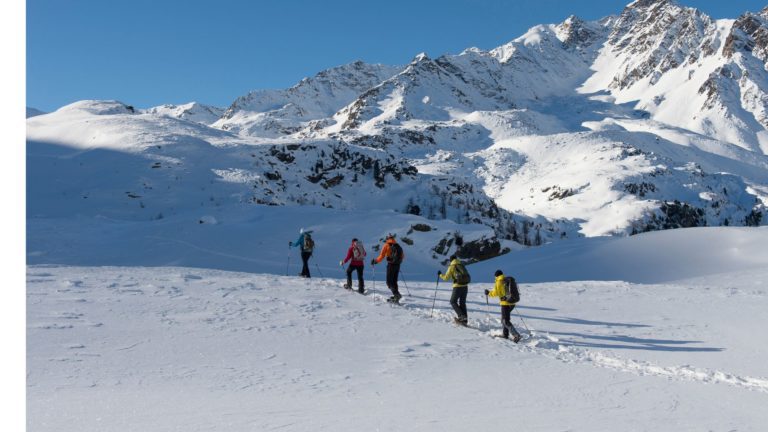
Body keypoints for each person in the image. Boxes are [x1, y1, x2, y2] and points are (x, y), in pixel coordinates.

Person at [485, 270, 522, 343]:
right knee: (505, 319)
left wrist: (488, 293)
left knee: (505, 320)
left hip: (505, 304)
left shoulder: (499, 281)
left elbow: (496, 293)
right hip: (512, 302)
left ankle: (516, 335)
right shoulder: (507, 280)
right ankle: (505, 335)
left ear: (496, 276)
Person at [371, 233, 404, 303]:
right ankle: (396, 296)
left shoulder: (386, 245)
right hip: (397, 265)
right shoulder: (398, 246)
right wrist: (397, 261)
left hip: (391, 265)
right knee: (394, 281)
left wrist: (375, 261)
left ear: (387, 238)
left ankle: (396, 294)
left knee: (389, 282)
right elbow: (403, 256)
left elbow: (381, 256)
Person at [438, 254, 470, 326]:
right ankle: (465, 320)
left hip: (457, 286)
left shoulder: (452, 266)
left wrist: (440, 275)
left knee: (452, 301)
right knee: (462, 303)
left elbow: (446, 278)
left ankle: (461, 316)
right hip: (465, 286)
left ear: (451, 260)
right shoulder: (461, 265)